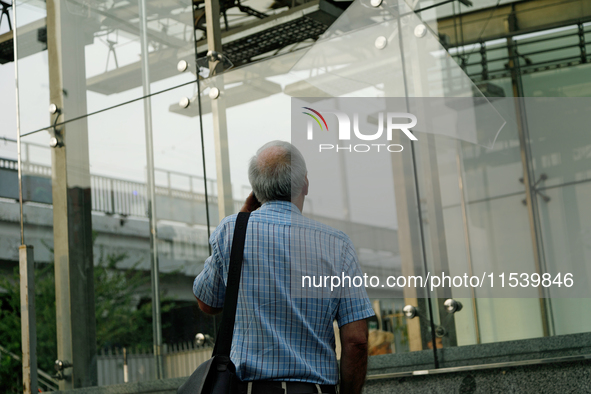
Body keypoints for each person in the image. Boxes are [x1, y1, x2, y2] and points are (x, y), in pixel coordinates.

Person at [193, 140, 375, 394]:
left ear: (255, 190)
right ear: (305, 184)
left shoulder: (231, 231)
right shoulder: (338, 244)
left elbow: (208, 303)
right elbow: (356, 340)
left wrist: (244, 217)